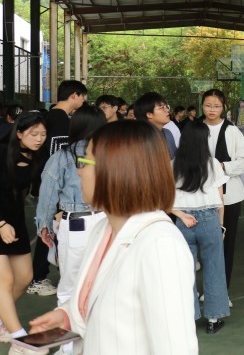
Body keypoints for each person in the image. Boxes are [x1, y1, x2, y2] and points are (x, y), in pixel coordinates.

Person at [28, 120, 198, 354]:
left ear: (116, 170)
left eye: (85, 162)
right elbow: (96, 300)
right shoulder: (103, 229)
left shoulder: (160, 245)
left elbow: (174, 346)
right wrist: (65, 316)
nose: (79, 171)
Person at [35, 104, 107, 306]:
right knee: (102, 279)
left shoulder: (63, 156)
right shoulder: (111, 154)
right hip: (107, 221)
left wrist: (44, 226)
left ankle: (69, 333)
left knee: (70, 284)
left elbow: (48, 194)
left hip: (76, 224)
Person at [29, 80, 88, 297]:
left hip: (51, 184)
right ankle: (38, 278)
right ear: (74, 95)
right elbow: (59, 158)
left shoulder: (53, 116)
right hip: (54, 186)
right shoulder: (60, 120)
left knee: (51, 231)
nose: (83, 101)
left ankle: (41, 275)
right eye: (83, 96)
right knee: (48, 230)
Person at [171, 120, 230, 334]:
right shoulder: (212, 163)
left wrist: (180, 215)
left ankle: (189, 316)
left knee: (185, 271)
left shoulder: (173, 163)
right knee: (214, 267)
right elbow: (221, 197)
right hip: (209, 219)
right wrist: (221, 225)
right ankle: (213, 318)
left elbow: (163, 198)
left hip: (182, 222)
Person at [198, 89, 244, 298]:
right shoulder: (194, 129)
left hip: (229, 197)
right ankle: (207, 287)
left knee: (225, 243)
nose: (212, 110)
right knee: (204, 242)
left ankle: (221, 290)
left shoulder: (232, 131)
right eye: (208, 105)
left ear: (224, 107)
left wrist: (221, 166)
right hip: (200, 195)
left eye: (216, 106)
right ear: (202, 105)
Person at [0, 112, 47, 344]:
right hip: (0, 221)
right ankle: (19, 338)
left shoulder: (38, 157)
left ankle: (2, 318)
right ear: (19, 133)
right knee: (4, 280)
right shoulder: (1, 153)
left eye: (43, 134)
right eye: (33, 134)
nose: (39, 139)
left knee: (25, 277)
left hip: (16, 221)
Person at [133, 92, 177, 158]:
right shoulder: (137, 140)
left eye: (166, 107)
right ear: (149, 114)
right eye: (161, 108)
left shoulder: (168, 133)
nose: (167, 110)